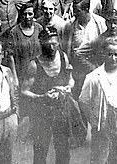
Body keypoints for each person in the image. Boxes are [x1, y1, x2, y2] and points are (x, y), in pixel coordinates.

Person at [20, 27, 75, 164]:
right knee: (41, 149)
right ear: (41, 43)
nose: (51, 48)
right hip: (41, 112)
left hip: (61, 110)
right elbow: (24, 91)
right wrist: (42, 97)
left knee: (63, 148)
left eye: (54, 44)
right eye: (48, 44)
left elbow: (71, 79)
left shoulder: (63, 57)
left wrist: (68, 87)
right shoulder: (34, 64)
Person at [79, 38, 117, 164]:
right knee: (100, 157)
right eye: (109, 54)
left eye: (116, 54)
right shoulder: (94, 77)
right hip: (103, 121)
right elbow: (83, 101)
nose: (113, 58)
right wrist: (94, 120)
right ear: (103, 54)